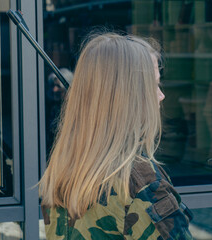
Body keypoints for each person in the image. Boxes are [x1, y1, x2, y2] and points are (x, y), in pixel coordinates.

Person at [39, 32, 192, 240]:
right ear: (130, 96)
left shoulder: (63, 169)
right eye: (153, 85)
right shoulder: (140, 181)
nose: (161, 95)